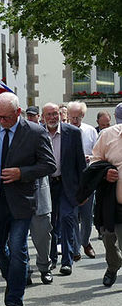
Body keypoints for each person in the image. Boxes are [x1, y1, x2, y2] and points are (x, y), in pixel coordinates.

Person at [0, 93, 56, 306]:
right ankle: (15, 278)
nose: (2, 121)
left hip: (21, 202)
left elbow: (49, 165)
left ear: (18, 113)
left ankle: (14, 300)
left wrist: (22, 173)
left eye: (6, 118)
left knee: (18, 247)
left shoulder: (35, 132)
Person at [41, 103, 86, 275]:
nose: (53, 117)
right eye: (49, 114)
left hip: (68, 185)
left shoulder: (72, 133)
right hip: (47, 185)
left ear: (60, 114)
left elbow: (81, 163)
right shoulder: (37, 133)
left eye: (55, 114)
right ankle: (51, 258)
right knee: (49, 223)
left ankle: (67, 261)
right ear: (43, 116)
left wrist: (83, 190)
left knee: (67, 219)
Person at [89, 119, 122, 287]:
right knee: (109, 238)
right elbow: (94, 162)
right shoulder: (108, 135)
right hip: (112, 203)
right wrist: (105, 173)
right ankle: (113, 265)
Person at [67, 101, 99, 258]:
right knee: (72, 214)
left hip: (87, 177)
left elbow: (99, 154)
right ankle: (75, 248)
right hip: (70, 178)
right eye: (71, 117)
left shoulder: (91, 131)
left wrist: (91, 158)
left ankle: (85, 242)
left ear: (83, 116)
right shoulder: (64, 131)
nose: (74, 120)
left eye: (77, 117)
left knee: (87, 215)